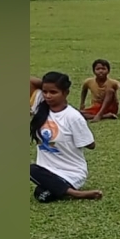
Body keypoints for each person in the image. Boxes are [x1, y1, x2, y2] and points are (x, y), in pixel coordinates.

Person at [29, 71, 103, 202]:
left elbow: (91, 145)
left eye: (53, 92)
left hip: (71, 173)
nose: (48, 96)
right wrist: (48, 84)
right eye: (45, 92)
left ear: (66, 93)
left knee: (31, 172)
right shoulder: (40, 107)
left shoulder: (72, 117)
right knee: (42, 195)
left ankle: (75, 193)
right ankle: (70, 192)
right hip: (47, 171)